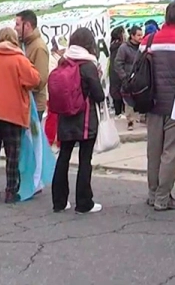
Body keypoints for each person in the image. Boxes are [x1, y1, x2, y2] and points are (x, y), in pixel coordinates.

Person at [142, 1, 175, 211]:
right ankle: (163, 197)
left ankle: (152, 192)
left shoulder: (149, 40)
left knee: (153, 150)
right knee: (171, 152)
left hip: (152, 102)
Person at [0, 27, 40, 204]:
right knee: (12, 155)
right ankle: (11, 191)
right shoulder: (19, 59)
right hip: (13, 113)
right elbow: (34, 79)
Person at [51, 27, 107, 214]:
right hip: (85, 120)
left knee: (63, 157)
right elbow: (98, 95)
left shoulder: (63, 61)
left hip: (65, 117)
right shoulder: (88, 65)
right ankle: (84, 202)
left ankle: (59, 201)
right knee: (85, 160)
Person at [15, 10, 51, 122]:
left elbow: (41, 80)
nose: (15, 28)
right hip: (22, 104)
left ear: (27, 26)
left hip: (34, 105)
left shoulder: (39, 47)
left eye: (17, 24)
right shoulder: (21, 44)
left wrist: (20, 86)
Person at [113, 25, 142, 130]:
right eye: (138, 35)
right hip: (128, 79)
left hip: (140, 79)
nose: (140, 37)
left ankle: (141, 117)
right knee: (128, 100)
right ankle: (130, 121)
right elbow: (117, 63)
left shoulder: (142, 47)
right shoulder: (124, 48)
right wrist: (124, 77)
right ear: (132, 35)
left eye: (141, 35)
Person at [108, 27, 126, 116]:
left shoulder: (113, 46)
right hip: (118, 73)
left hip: (113, 73)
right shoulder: (120, 47)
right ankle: (119, 112)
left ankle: (118, 112)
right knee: (119, 93)